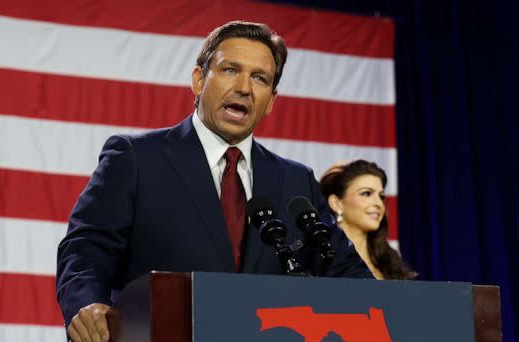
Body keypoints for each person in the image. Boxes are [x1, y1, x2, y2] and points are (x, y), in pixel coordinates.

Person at [56, 21, 371, 342]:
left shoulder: (295, 181)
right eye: (230, 70)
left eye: (260, 78)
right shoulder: (136, 157)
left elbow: (347, 273)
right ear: (198, 79)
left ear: (272, 100)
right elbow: (86, 250)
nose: (245, 88)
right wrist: (88, 303)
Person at [319, 160, 417, 280]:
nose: (379, 204)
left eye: (381, 196)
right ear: (336, 203)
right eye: (366, 193)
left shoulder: (391, 264)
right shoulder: (321, 260)